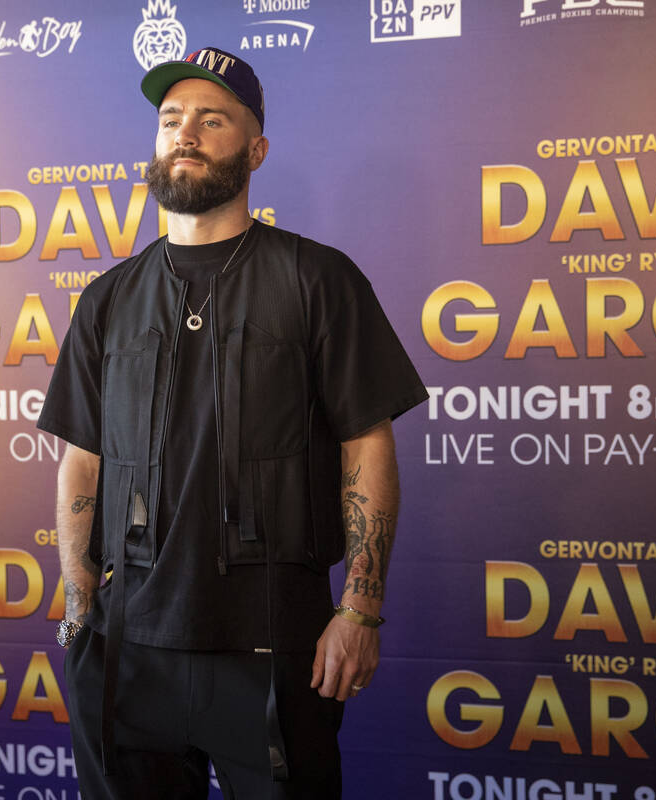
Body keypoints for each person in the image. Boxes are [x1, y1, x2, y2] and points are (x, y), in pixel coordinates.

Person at [36, 46, 427, 799]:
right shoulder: (107, 299)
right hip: (126, 652)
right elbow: (81, 458)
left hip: (276, 648)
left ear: (256, 149)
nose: (186, 133)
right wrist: (81, 615)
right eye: (171, 119)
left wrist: (363, 610)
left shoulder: (318, 280)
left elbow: (366, 443)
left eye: (212, 119)